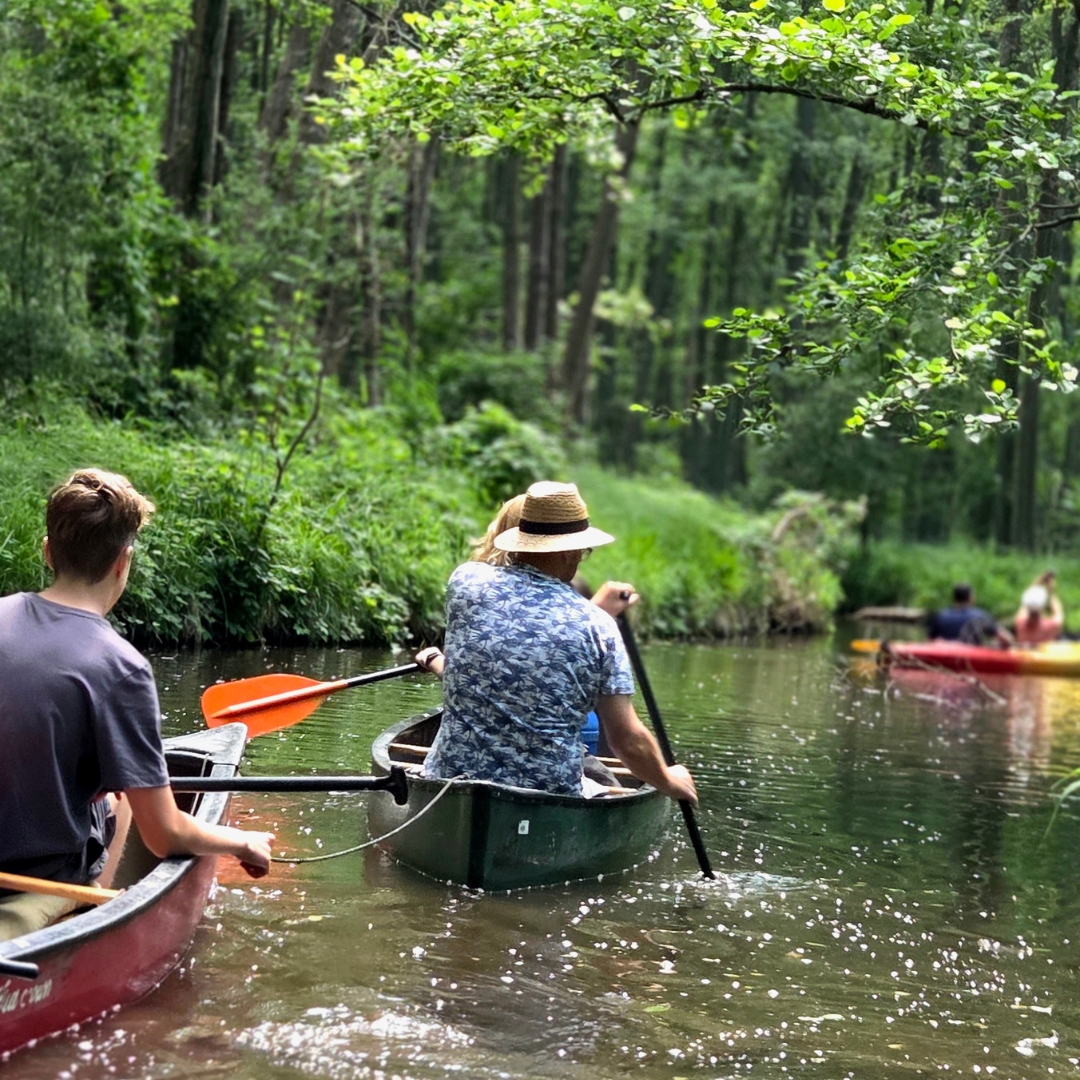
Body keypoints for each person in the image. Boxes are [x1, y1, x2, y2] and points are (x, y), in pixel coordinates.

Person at [0, 469, 274, 941]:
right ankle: (87, 919)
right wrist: (242, 840)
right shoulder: (120, 667)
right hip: (39, 875)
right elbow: (163, 835)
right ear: (122, 563)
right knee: (122, 797)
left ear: (47, 551)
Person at [419, 480, 698, 804]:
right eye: (583, 549)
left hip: (449, 779)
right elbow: (625, 741)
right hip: (548, 795)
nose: (582, 557)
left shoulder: (465, 581)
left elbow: (522, 632)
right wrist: (669, 779)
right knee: (601, 782)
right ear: (570, 550)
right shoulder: (599, 627)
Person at [928, 583, 1013, 647]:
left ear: (954, 597)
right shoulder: (981, 616)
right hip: (971, 659)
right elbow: (1006, 639)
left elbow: (930, 642)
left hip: (944, 657)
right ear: (970, 597)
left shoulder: (940, 616)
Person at [1014, 571, 1064, 645]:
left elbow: (1027, 601)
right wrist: (1051, 593)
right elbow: (1058, 611)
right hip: (1046, 656)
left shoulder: (1019, 623)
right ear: (1043, 606)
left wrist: (1039, 580)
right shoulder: (1051, 626)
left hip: (1025, 654)